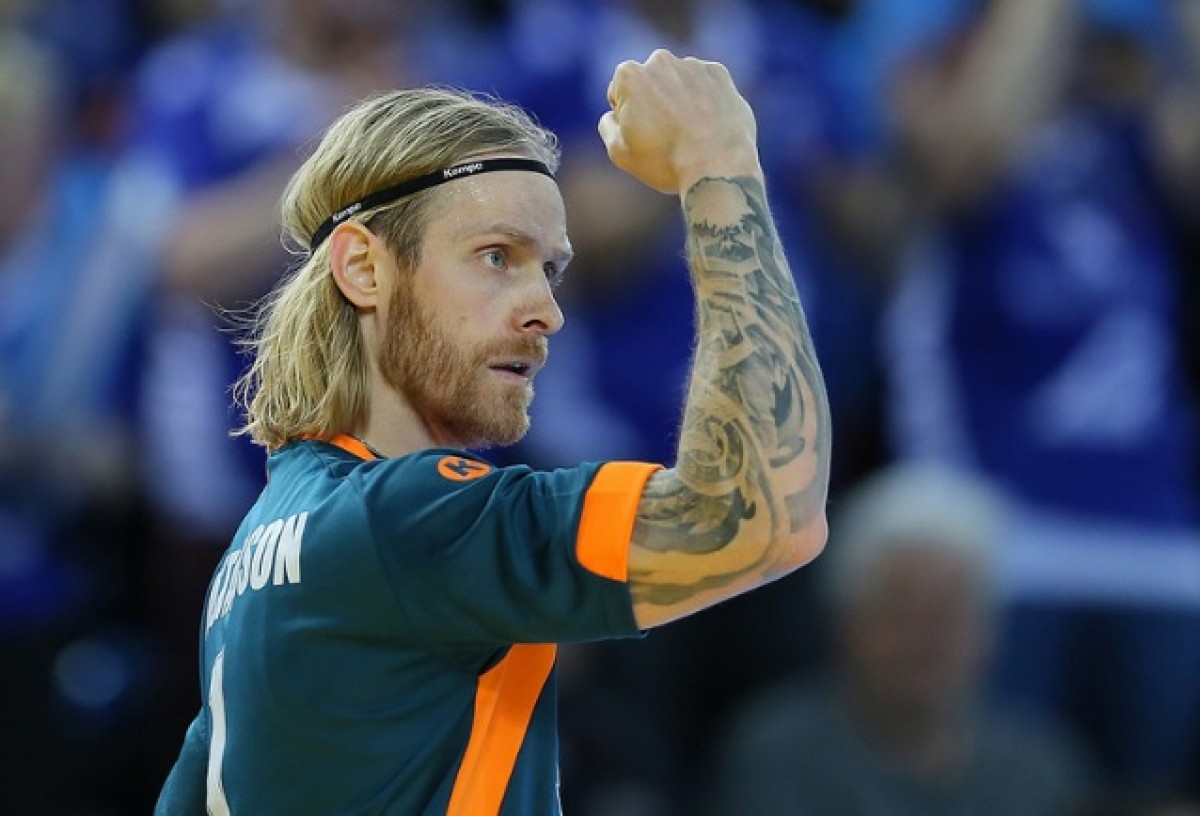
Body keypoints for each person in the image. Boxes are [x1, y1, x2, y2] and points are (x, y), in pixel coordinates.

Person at [154, 49, 831, 815]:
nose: (546, 311)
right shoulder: (406, 517)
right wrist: (719, 165)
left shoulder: (261, 543)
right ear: (365, 269)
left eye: (551, 270)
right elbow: (758, 511)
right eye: (496, 257)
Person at [711, 463, 1095, 815]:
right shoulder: (780, 755)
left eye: (948, 614)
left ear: (987, 634)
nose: (926, 639)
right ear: (846, 623)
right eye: (902, 612)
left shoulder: (1041, 769)